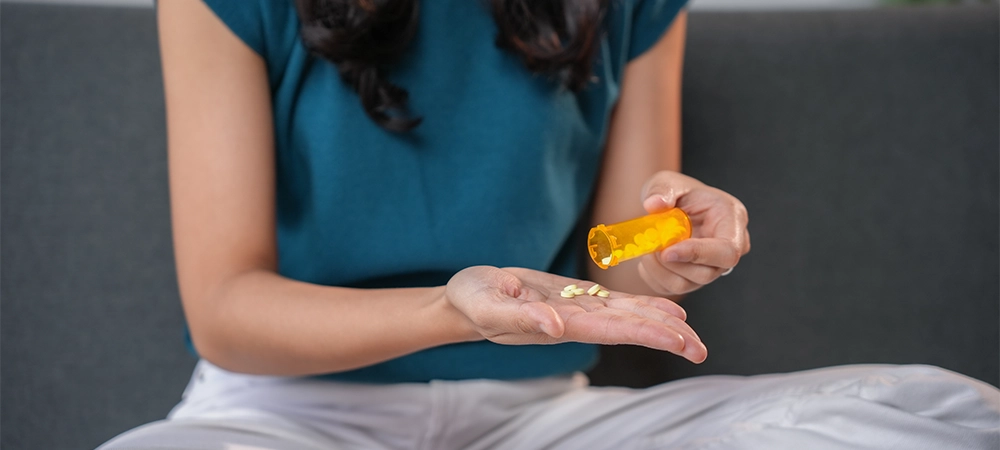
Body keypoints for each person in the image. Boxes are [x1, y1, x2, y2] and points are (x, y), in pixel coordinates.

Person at [100, 0, 999, 448]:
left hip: (539, 419)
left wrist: (671, 243)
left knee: (931, 418)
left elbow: (613, 258)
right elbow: (226, 310)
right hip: (287, 418)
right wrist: (449, 311)